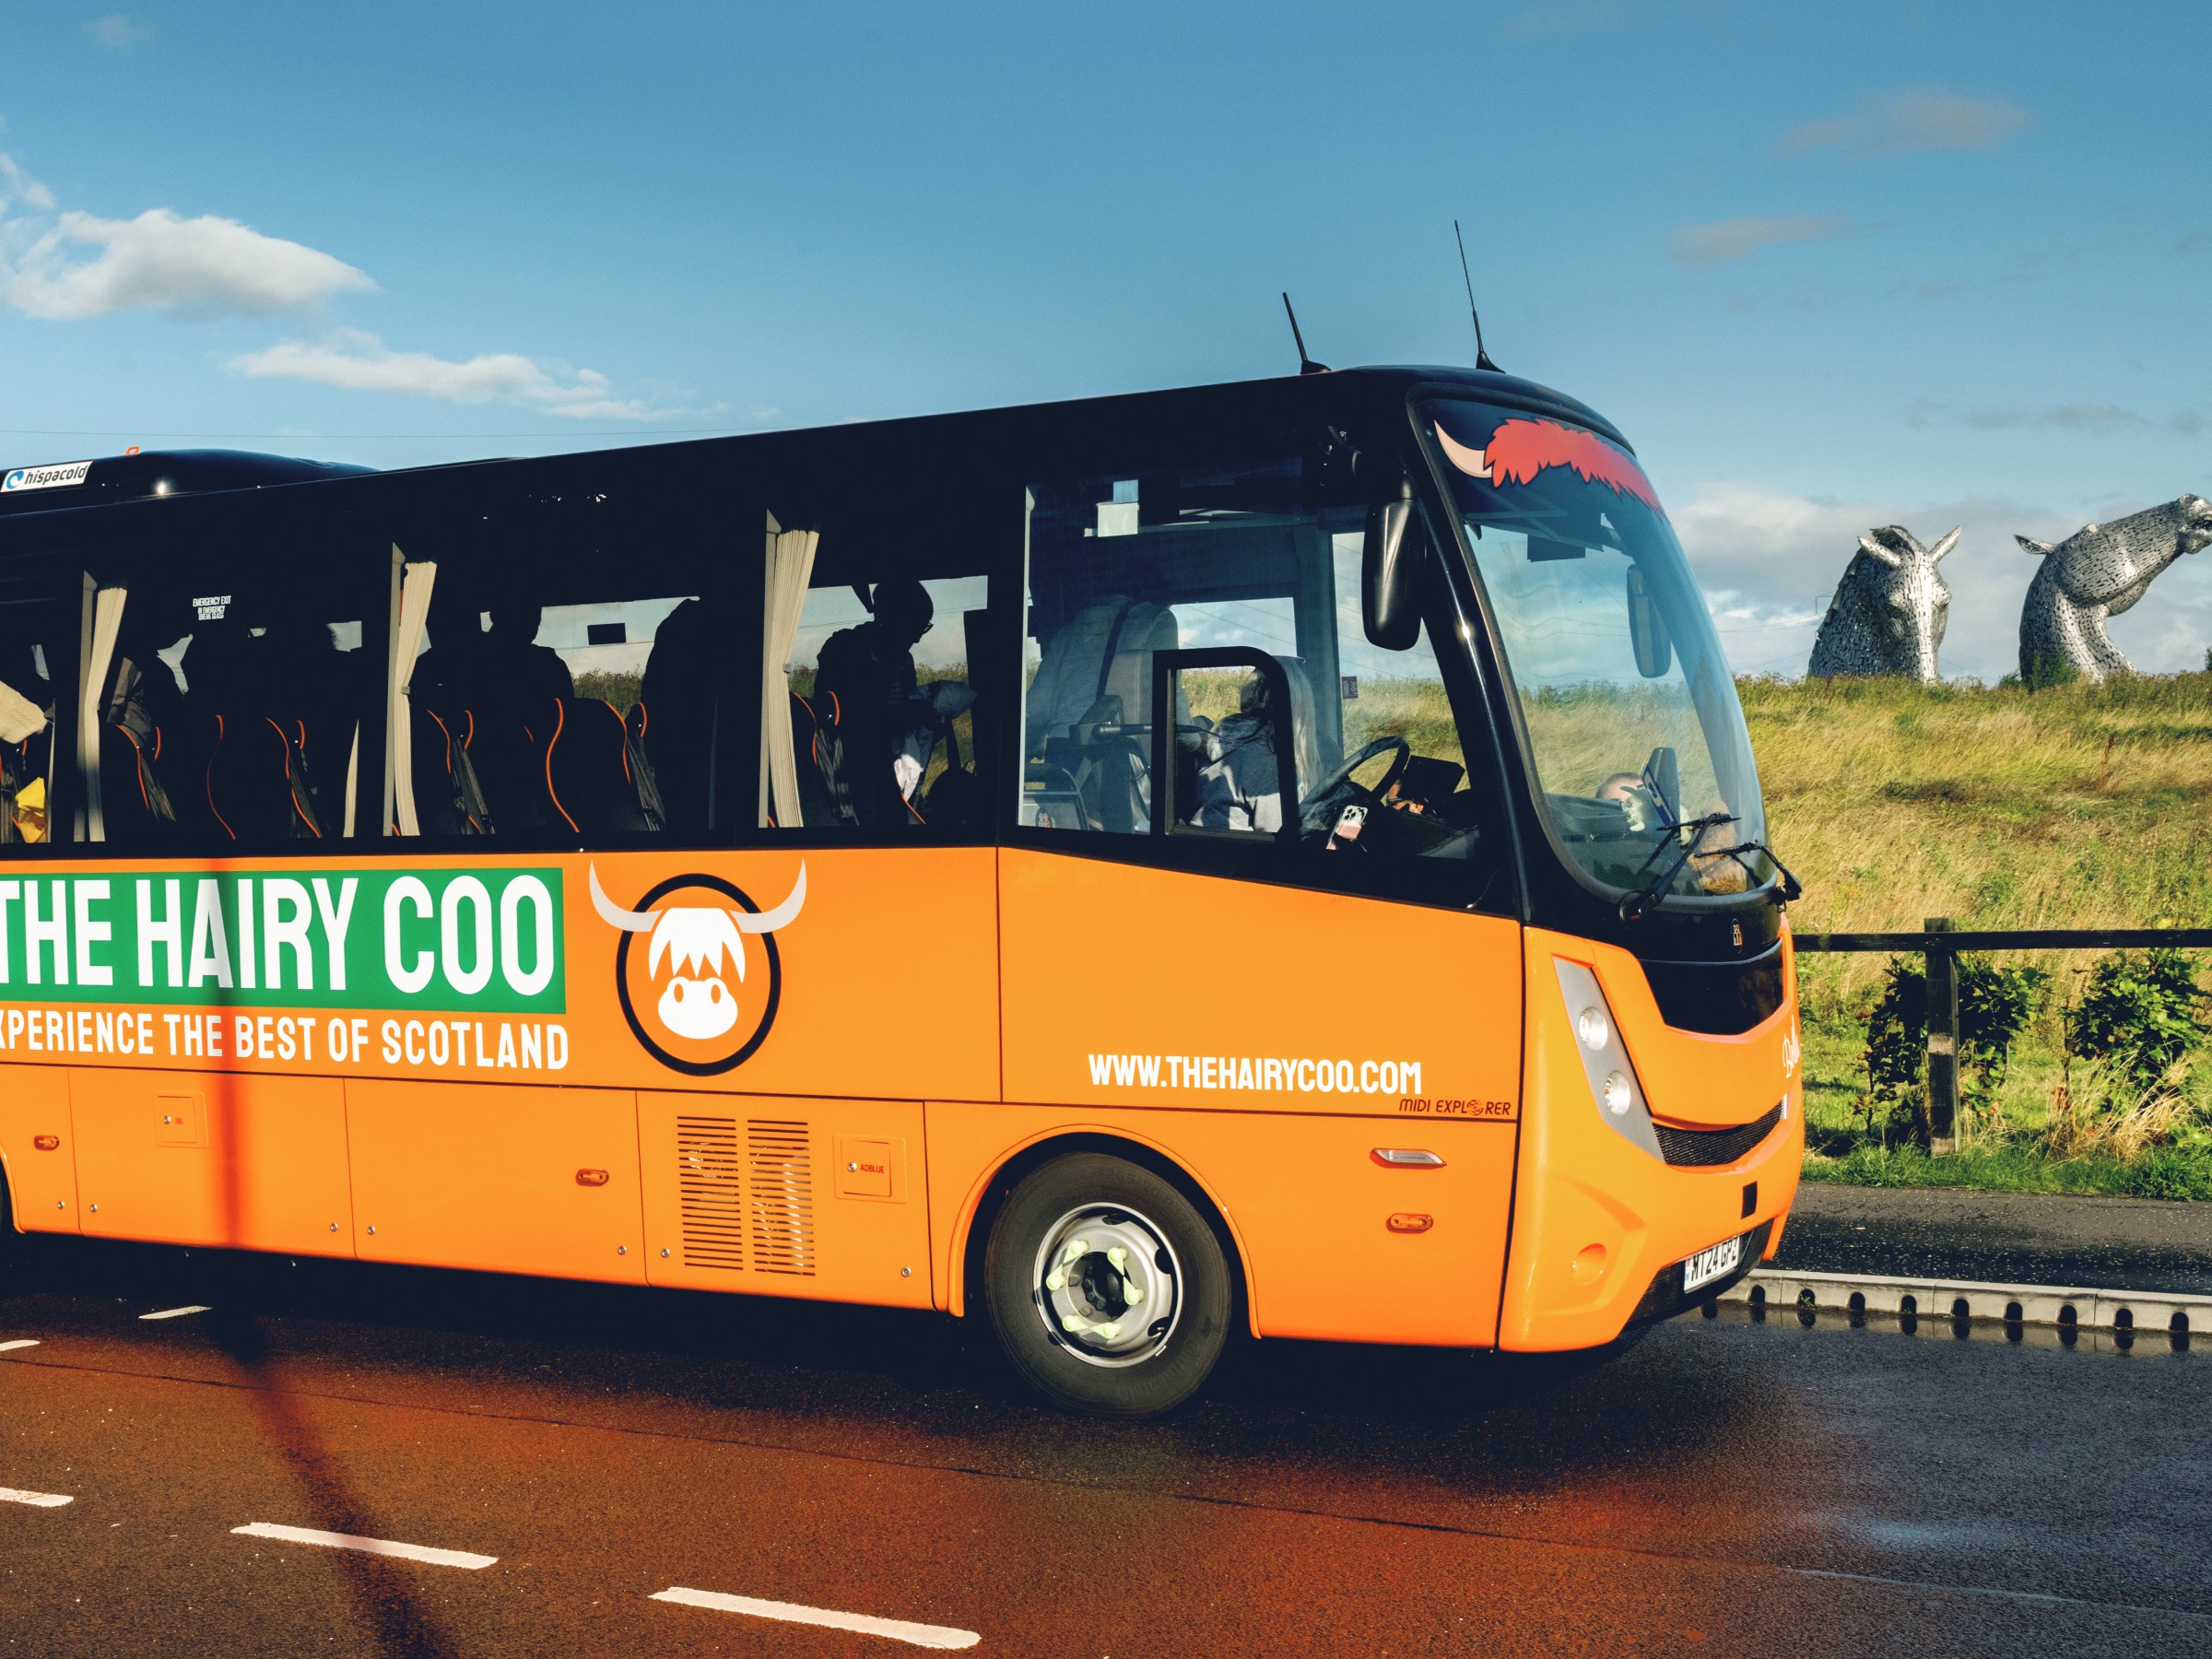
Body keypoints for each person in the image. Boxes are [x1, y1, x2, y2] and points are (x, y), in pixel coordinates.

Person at [811, 579, 933, 827]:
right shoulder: (845, 649)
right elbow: (849, 720)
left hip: (885, 768)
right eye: (917, 627)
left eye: (924, 628)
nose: (918, 639)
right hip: (848, 774)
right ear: (893, 619)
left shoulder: (903, 661)